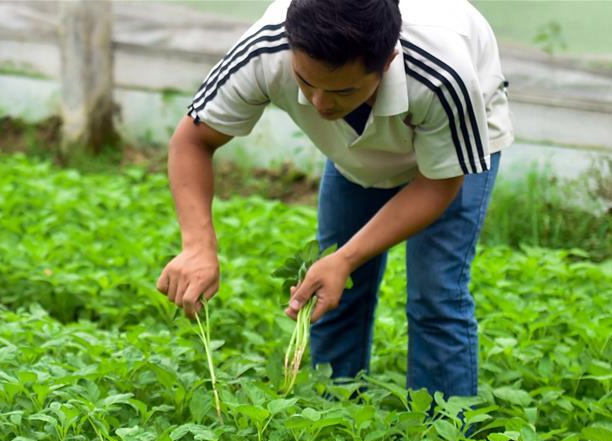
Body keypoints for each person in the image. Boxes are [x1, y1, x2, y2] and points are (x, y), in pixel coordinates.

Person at [156, 0, 514, 400]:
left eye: (342, 90)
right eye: (304, 82)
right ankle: (334, 414)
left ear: (387, 62)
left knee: (436, 293)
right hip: (354, 159)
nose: (320, 104)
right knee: (328, 289)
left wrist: (345, 257)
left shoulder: (441, 72)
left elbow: (439, 184)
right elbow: (192, 140)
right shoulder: (267, 48)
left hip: (453, 146)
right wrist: (197, 246)